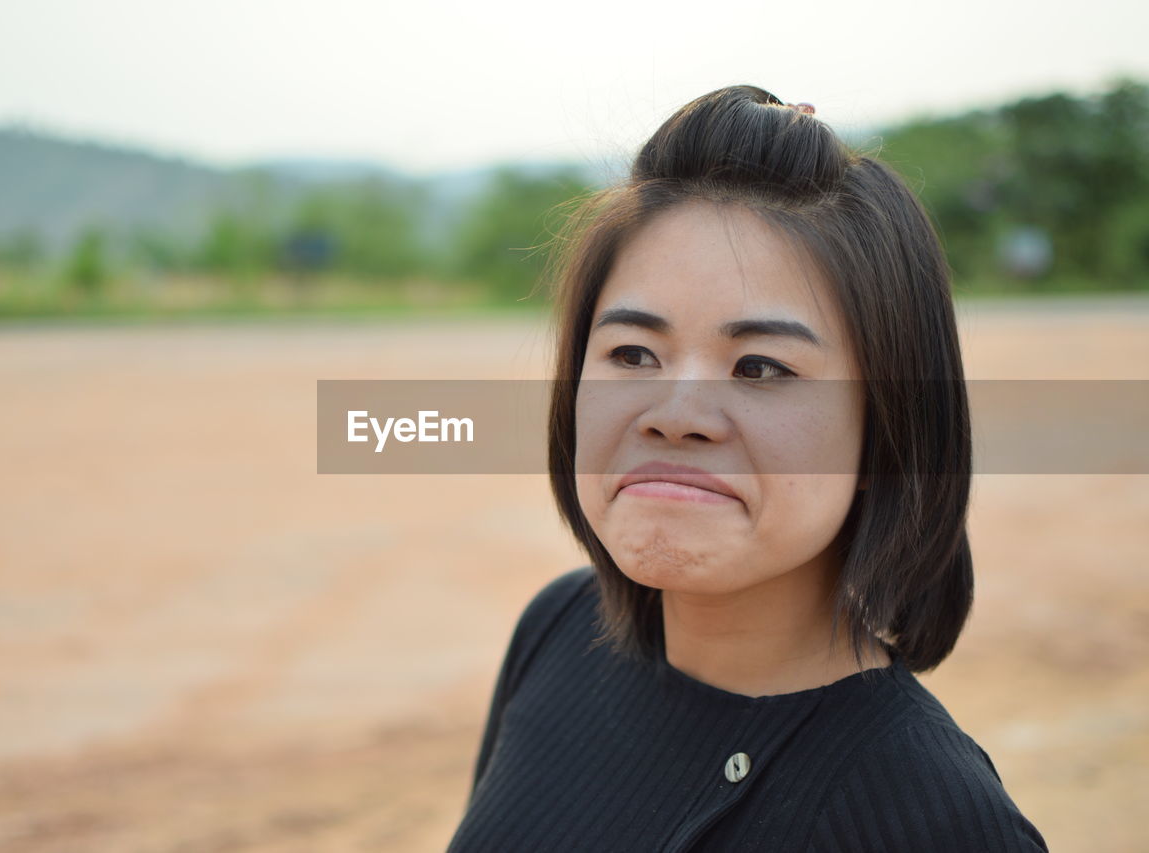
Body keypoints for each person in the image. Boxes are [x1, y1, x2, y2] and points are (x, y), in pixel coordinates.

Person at [445, 85, 1050, 852]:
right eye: (633, 354)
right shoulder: (560, 630)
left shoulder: (932, 815)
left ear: (887, 432)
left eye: (761, 367)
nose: (675, 412)